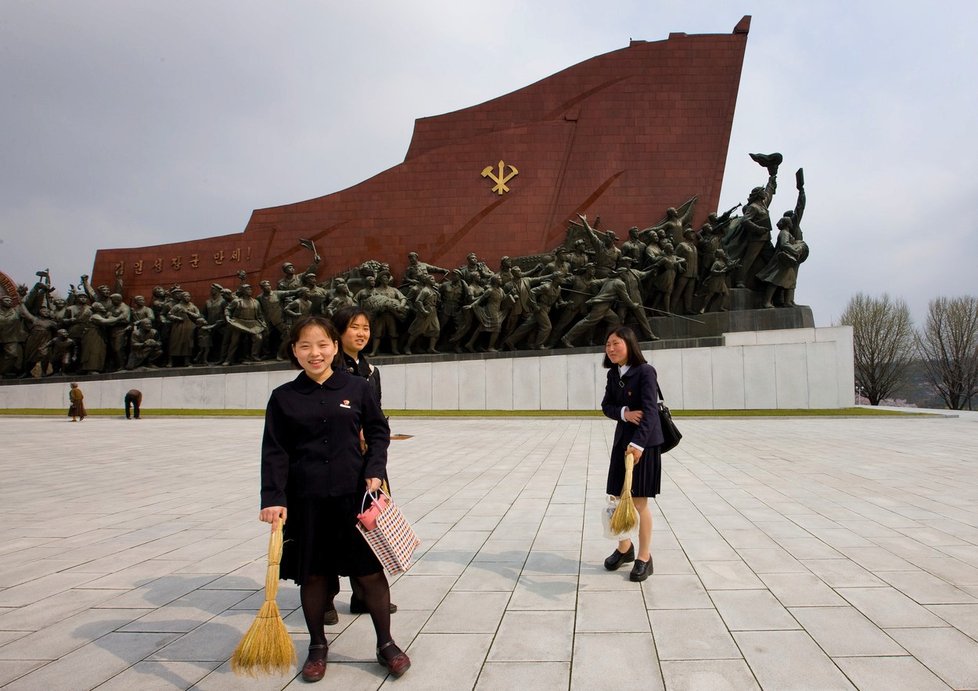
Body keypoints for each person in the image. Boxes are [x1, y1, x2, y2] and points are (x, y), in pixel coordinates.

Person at [259, 315, 409, 682]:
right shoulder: (284, 398)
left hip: (352, 497)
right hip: (306, 500)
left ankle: (386, 643)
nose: (315, 353)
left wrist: (375, 466)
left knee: (370, 573)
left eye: (323, 345)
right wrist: (273, 498)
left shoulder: (357, 388)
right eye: (305, 346)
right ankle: (317, 646)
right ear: (294, 351)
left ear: (335, 347)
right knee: (314, 577)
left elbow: (377, 430)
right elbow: (275, 451)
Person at [600, 326, 663, 582]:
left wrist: (637, 445)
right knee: (616, 498)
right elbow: (607, 406)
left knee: (638, 503)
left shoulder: (645, 372)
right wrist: (624, 412)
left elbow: (650, 410)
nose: (611, 349)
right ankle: (625, 549)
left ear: (630, 344)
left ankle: (644, 558)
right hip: (621, 443)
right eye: (608, 345)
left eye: (616, 343)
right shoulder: (613, 374)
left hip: (644, 445)